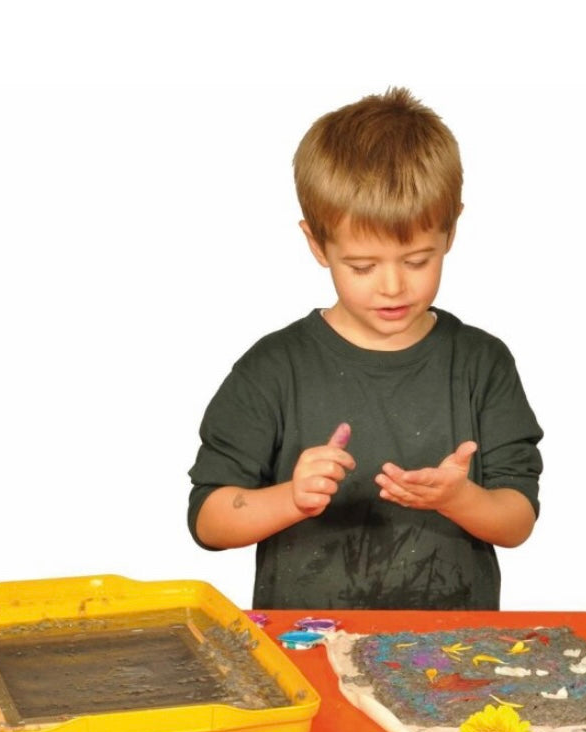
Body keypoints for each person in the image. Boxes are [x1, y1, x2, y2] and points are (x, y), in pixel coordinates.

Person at [187, 87, 543, 611]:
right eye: (362, 267)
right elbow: (209, 520)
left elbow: (518, 520)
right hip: (308, 649)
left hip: (454, 657)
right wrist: (289, 498)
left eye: (417, 260)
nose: (393, 287)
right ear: (316, 244)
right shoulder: (272, 368)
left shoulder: (482, 364)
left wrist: (460, 500)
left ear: (451, 231)